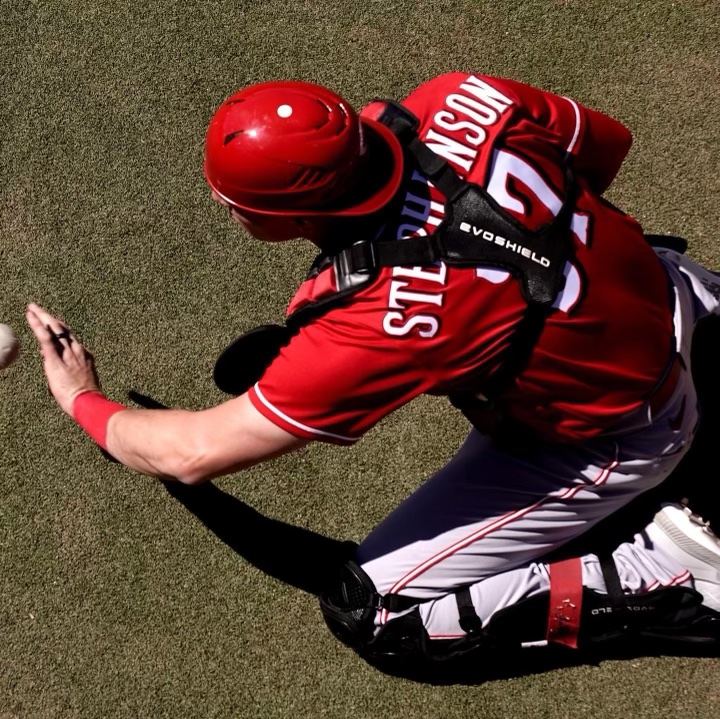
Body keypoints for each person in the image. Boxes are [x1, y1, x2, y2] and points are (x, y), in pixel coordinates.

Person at [26, 73, 720, 671]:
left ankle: (672, 576)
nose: (221, 203)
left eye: (233, 200)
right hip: (680, 295)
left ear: (293, 215)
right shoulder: (460, 96)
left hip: (626, 426)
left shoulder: (377, 323)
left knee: (379, 615)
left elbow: (193, 451)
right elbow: (606, 145)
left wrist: (80, 396)